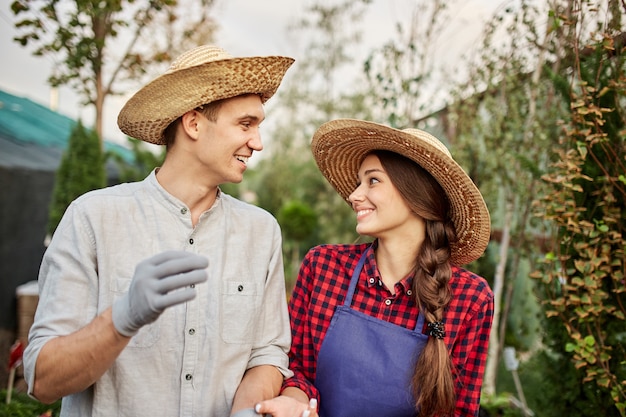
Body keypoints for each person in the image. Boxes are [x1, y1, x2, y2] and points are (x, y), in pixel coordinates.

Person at [23, 45, 295, 417]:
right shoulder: (93, 218)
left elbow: (266, 355)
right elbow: (43, 381)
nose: (258, 142)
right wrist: (122, 318)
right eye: (245, 124)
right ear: (194, 123)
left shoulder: (261, 232)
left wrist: (248, 411)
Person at [256, 119, 494, 417]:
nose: (355, 196)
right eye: (358, 182)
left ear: (415, 195)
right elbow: (297, 367)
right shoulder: (324, 267)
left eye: (373, 181)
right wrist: (296, 401)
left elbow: (456, 410)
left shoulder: (471, 298)